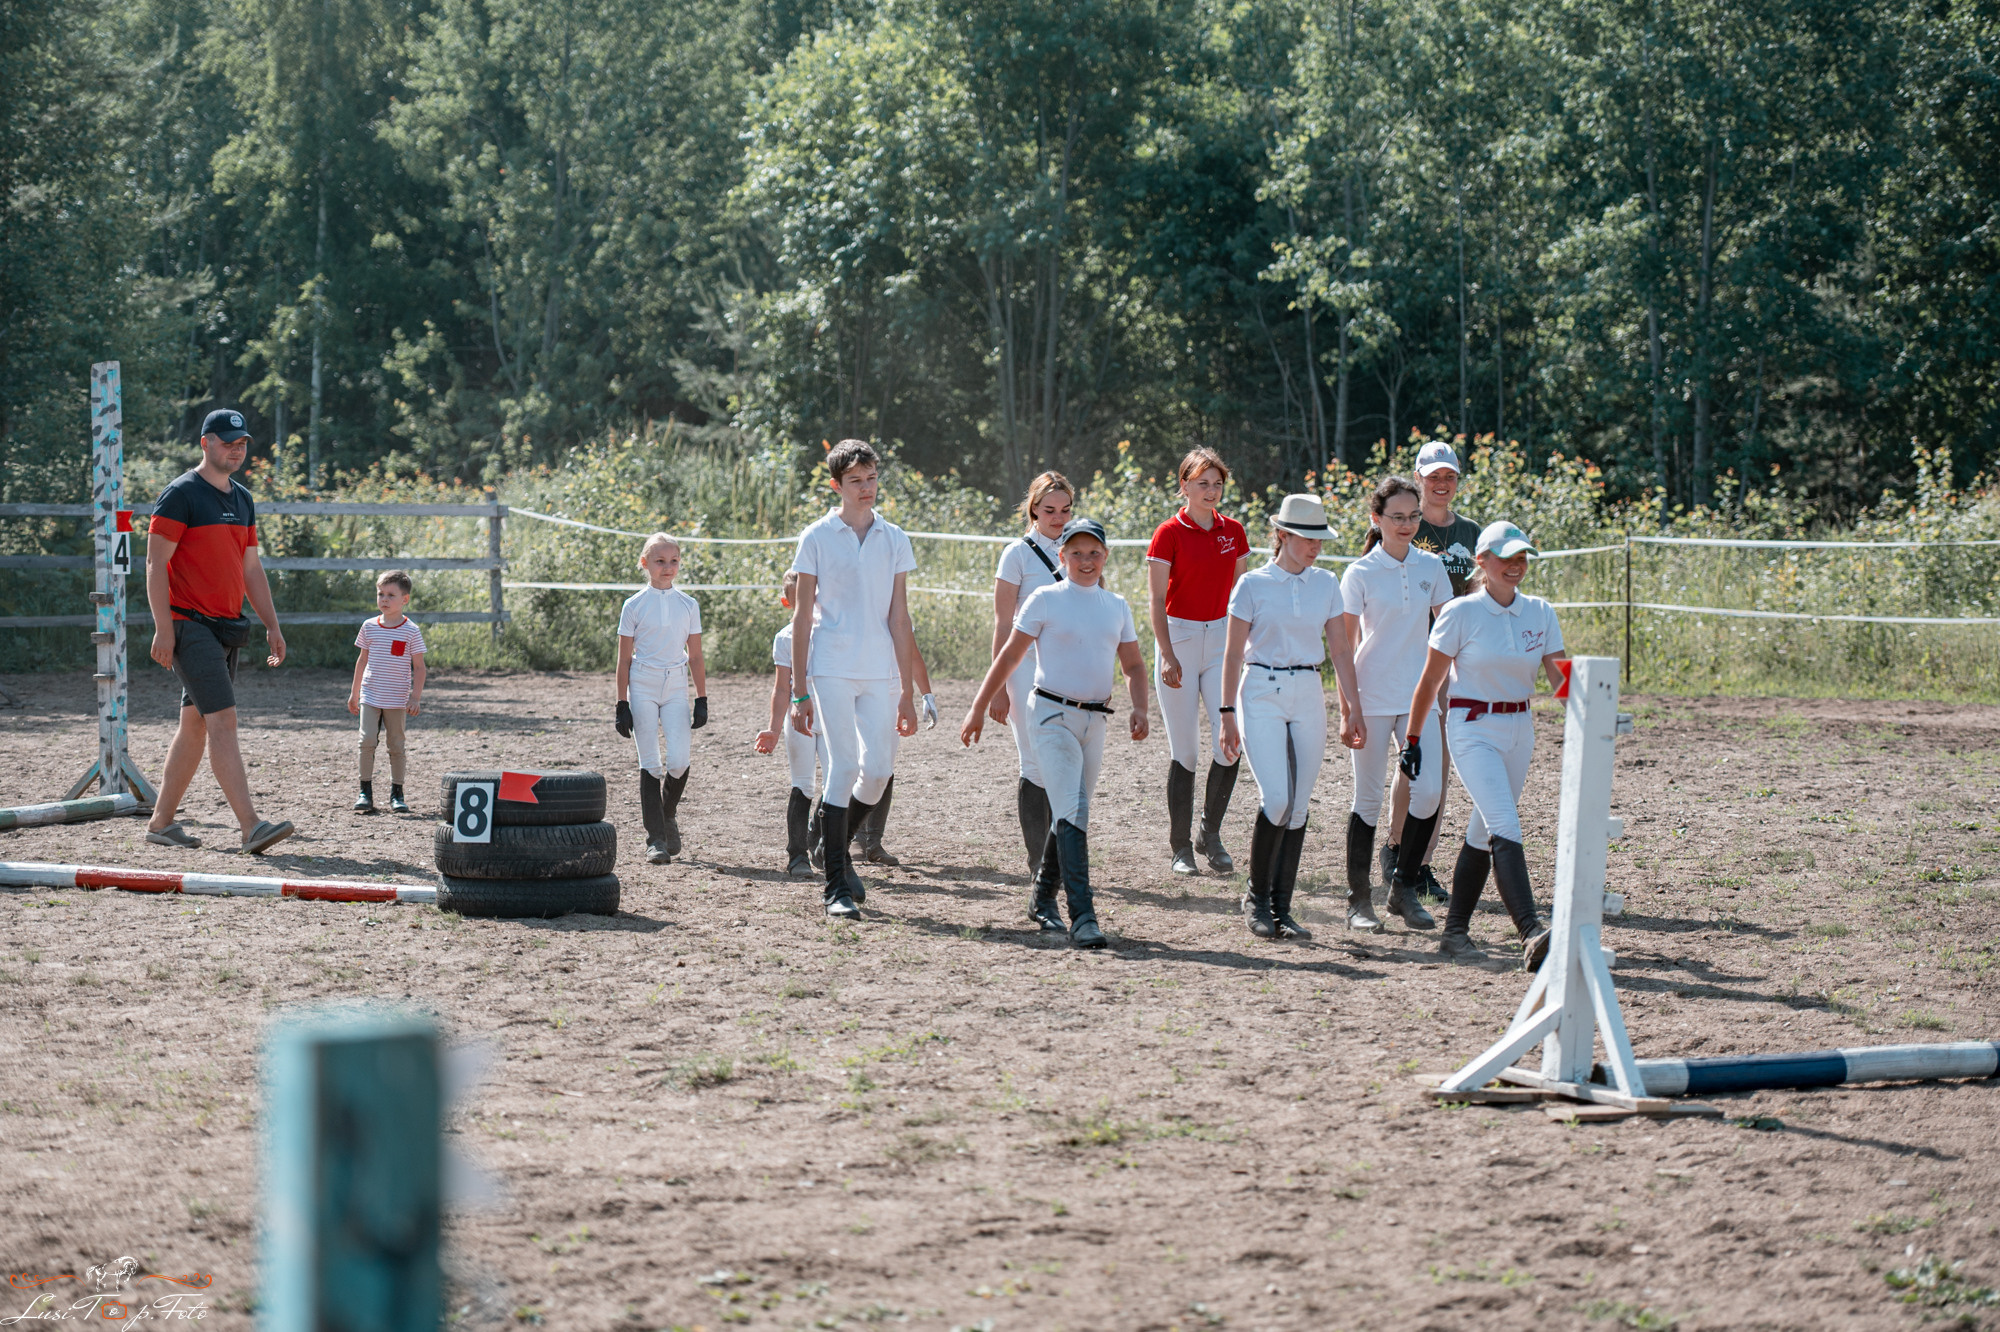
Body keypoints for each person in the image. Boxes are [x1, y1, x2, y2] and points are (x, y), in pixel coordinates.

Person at [961, 518, 1148, 949]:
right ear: (1062, 557)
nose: (1086, 560)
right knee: (1074, 809)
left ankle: (1042, 896)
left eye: (1094, 553)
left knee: (1069, 810)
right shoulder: (1044, 599)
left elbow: (1135, 665)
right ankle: (1083, 916)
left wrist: (1140, 706)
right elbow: (1010, 656)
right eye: (1076, 553)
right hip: (1050, 715)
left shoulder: (1116, 606)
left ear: (1106, 556)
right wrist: (977, 706)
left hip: (1094, 720)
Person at [1405, 520, 1568, 968]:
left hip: (1520, 728)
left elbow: (1560, 679)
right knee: (1504, 824)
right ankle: (1530, 930)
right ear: (1482, 561)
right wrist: (1413, 738)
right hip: (1472, 727)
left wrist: (1592, 705)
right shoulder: (1461, 613)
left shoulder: (1540, 612)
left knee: (1483, 830)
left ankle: (1454, 934)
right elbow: (1429, 681)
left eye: (1522, 558)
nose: (1516, 566)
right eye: (1506, 558)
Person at [141, 408, 295, 854]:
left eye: (242, 443)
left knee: (194, 725)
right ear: (205, 443)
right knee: (223, 720)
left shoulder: (242, 499)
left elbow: (251, 568)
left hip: (226, 627)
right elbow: (155, 564)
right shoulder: (180, 495)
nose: (236, 450)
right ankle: (251, 826)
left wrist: (272, 624)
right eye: (228, 442)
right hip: (189, 625)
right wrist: (163, 629)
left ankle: (160, 824)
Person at [1216, 495, 1360, 941]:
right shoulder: (1252, 585)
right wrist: (1226, 712)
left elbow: (1341, 650)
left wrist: (1352, 707)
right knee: (1277, 798)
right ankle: (1255, 898)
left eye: (1320, 539)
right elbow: (1232, 653)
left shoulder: (1327, 583)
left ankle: (1282, 908)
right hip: (1261, 688)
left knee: (1299, 805)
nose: (1316, 546)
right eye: (1307, 538)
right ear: (1281, 535)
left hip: (1308, 689)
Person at [789, 439, 921, 918]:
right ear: (836, 485)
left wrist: (907, 691)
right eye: (855, 481)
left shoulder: (895, 538)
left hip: (880, 669)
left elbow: (900, 618)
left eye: (871, 478)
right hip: (831, 667)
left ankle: (833, 844)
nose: (866, 488)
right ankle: (835, 889)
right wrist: (799, 691)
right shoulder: (816, 537)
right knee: (843, 766)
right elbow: (802, 618)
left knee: (879, 770)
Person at [1339, 477, 1454, 933]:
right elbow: (1344, 647)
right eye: (1397, 517)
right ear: (1377, 519)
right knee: (1367, 799)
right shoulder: (1359, 573)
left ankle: (1403, 887)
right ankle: (1358, 900)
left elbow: (1448, 628)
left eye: (1413, 517)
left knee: (1428, 793)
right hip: (1370, 696)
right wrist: (1348, 707)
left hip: (1419, 697)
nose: (1406, 525)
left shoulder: (1432, 567)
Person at [1383, 438, 1483, 902]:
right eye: (1433, 476)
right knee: (1413, 757)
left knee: (1437, 766)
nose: (1442, 484)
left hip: (1455, 658)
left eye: (1450, 476)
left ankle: (1420, 862)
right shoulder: (1404, 522)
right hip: (1409, 656)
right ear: (1418, 478)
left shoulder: (1471, 532)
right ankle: (1394, 847)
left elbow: (1481, 591)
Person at [1146, 447, 1251, 875]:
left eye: (1217, 484)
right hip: (1180, 639)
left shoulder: (1234, 531)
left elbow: (1243, 596)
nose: (1211, 491)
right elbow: (1156, 599)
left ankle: (1210, 832)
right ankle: (1180, 847)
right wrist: (1167, 653)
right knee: (1186, 750)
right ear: (1184, 485)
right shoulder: (1168, 533)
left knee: (1231, 742)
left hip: (1222, 641)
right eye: (1202, 483)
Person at [990, 470, 1073, 884]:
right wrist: (998, 687)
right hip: (1024, 666)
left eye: (1065, 510)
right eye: (1050, 510)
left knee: (1063, 759)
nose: (1058, 518)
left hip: (1068, 667)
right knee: (1034, 760)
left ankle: (1059, 854)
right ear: (1034, 510)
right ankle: (1038, 860)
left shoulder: (1080, 549)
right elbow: (1002, 623)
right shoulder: (1016, 554)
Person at [614, 534, 708, 865]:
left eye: (673, 561)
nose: (668, 567)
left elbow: (695, 656)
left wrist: (701, 698)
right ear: (645, 563)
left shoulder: (688, 605)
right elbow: (623, 659)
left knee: (679, 761)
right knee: (651, 763)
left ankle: (667, 815)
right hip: (643, 683)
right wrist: (621, 703)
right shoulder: (633, 605)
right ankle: (655, 839)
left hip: (676, 685)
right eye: (660, 561)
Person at [754, 571, 827, 878]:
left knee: (839, 781)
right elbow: (781, 687)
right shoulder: (785, 638)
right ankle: (797, 855)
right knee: (803, 784)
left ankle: (820, 839)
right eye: (798, 598)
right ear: (787, 602)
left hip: (832, 714)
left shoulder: (833, 633)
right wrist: (773, 728)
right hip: (799, 715)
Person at [346, 570, 426, 814]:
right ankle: (364, 792)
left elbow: (419, 667)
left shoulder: (411, 630)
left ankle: (397, 793)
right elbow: (362, 660)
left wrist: (415, 697)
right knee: (366, 741)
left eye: (391, 595)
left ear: (405, 599)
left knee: (396, 745)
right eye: (381, 594)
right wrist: (354, 693)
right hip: (370, 695)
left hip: (397, 699)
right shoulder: (369, 626)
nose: (384, 599)